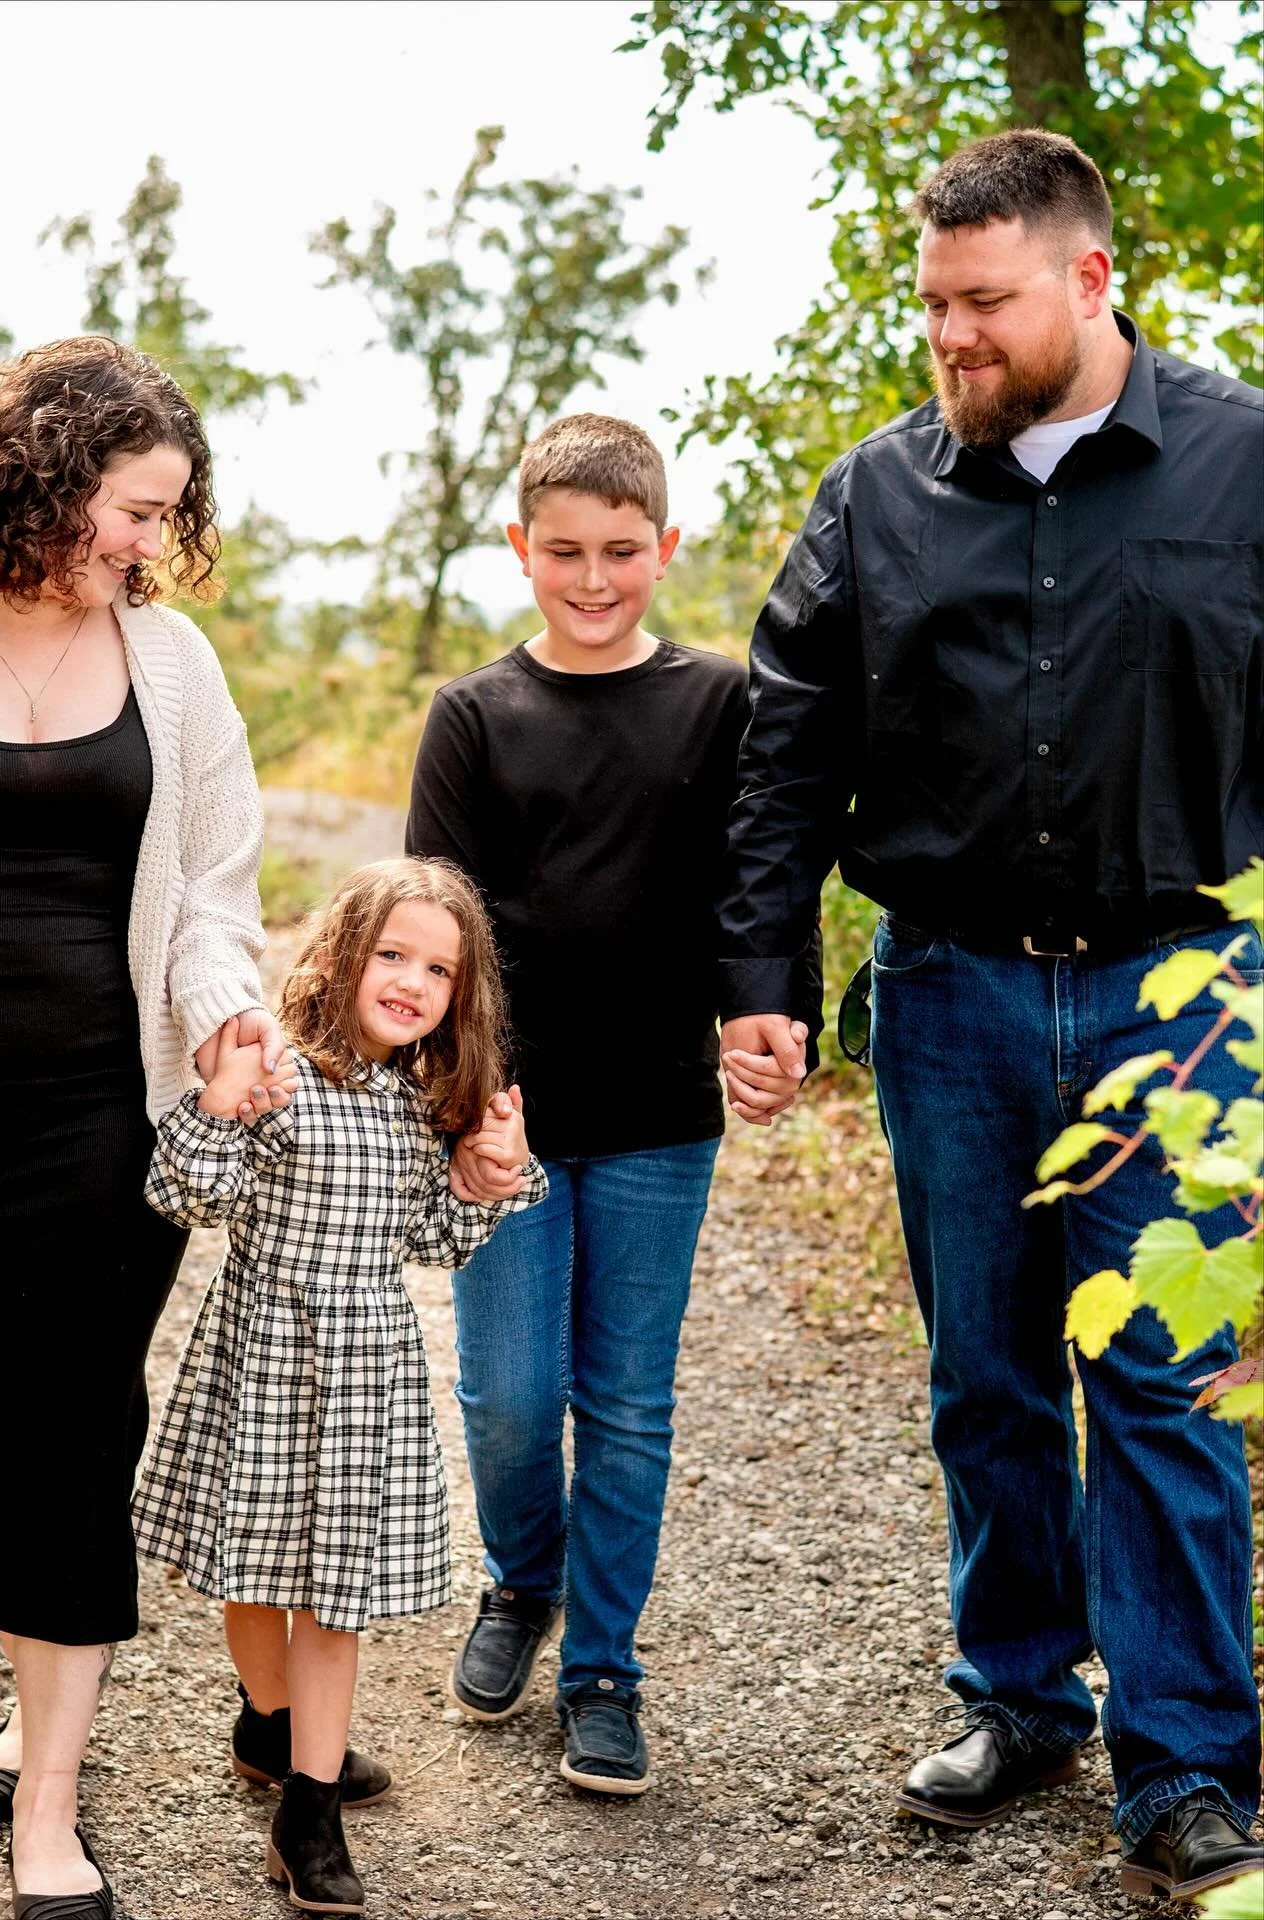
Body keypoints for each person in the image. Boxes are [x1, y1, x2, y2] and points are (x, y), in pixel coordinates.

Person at [717, 130, 1263, 1900]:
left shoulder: (1244, 466)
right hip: (946, 990)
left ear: (1092, 282)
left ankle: (1185, 1761)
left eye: (984, 303)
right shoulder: (877, 496)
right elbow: (786, 750)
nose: (950, 336)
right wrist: (763, 984)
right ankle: (1023, 1694)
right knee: (987, 1379)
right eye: (933, 302)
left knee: (1164, 1381)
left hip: (1182, 996)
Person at [0, 336, 292, 1920]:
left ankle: (47, 1813)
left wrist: (227, 1004)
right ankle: (32, 1705)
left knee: (80, 1437)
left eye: (169, 518)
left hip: (117, 1127)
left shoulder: (173, 665)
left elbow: (213, 894)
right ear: (43, 478)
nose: (150, 545)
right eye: (133, 511)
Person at [406, 414, 763, 1797]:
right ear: (522, 550)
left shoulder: (717, 704)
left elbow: (750, 892)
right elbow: (439, 922)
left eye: (623, 551)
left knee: (625, 1401)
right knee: (507, 1395)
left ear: (665, 550)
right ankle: (521, 1582)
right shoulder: (476, 716)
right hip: (505, 1118)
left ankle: (604, 1668)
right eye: (565, 551)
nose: (595, 577)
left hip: (663, 1115)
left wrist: (760, 1008)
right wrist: (471, 1099)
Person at [133, 857, 546, 1913]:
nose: (412, 981)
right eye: (393, 954)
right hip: (265, 1353)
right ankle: (270, 1727)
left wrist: (482, 1182)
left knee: (336, 1593)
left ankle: (308, 1810)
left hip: (367, 1370)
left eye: (440, 970)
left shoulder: (422, 1105)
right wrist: (220, 1105)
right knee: (259, 1574)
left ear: (463, 995)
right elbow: (185, 1194)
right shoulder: (278, 1072)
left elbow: (432, 1240)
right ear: (341, 956)